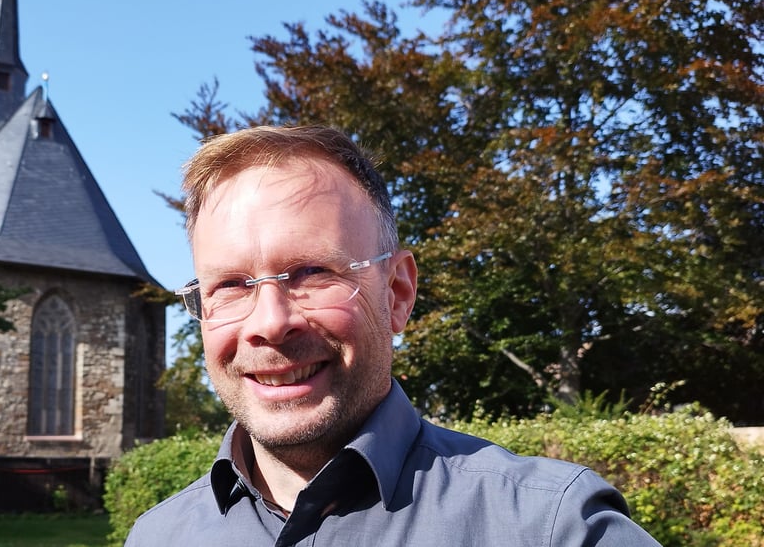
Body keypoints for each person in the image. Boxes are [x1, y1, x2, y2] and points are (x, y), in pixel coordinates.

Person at [125, 125, 660, 546]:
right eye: (232, 284)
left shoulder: (554, 528)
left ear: (397, 293)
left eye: (313, 273)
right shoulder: (156, 537)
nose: (269, 322)